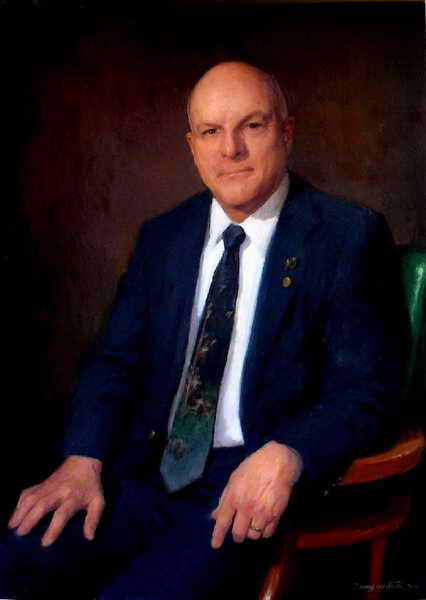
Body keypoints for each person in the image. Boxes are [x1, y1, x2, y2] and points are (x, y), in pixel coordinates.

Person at [0, 61, 403, 599]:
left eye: (252, 125)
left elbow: (369, 388)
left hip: (246, 489)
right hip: (144, 471)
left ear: (286, 132)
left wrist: (289, 451)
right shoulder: (163, 238)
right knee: (13, 563)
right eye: (211, 131)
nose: (230, 149)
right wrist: (82, 459)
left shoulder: (348, 236)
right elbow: (114, 359)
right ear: (193, 147)